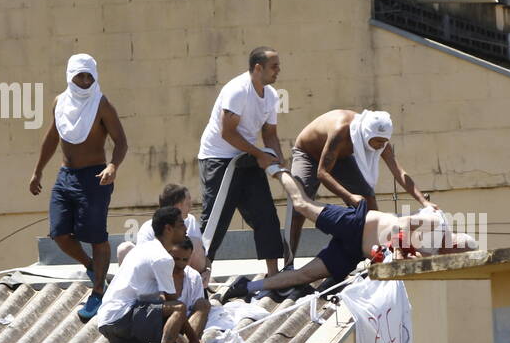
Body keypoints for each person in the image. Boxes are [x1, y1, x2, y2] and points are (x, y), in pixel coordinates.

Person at [221, 168, 477, 302]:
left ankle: (247, 286)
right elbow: (404, 225)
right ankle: (277, 168)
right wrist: (400, 251)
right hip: (357, 224)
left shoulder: (432, 259)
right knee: (302, 205)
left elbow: (402, 263)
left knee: (305, 276)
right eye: (456, 253)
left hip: (353, 251)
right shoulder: (438, 222)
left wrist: (399, 258)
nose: (450, 257)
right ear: (456, 243)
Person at [30, 53, 127, 321]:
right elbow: (52, 137)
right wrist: (37, 171)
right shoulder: (59, 102)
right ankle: (91, 267)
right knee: (59, 233)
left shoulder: (101, 104)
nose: (84, 81)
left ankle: (98, 290)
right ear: (69, 76)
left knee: (96, 236)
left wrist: (113, 167)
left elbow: (121, 141)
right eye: (79, 76)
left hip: (95, 177)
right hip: (66, 176)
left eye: (89, 76)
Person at [287, 108, 432, 264]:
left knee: (368, 197)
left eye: (383, 142)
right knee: (298, 208)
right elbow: (322, 173)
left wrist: (423, 201)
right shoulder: (341, 130)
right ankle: (288, 263)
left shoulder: (381, 141)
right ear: (365, 134)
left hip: (340, 157)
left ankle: (377, 254)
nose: (380, 146)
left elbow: (399, 172)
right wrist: (349, 197)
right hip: (308, 154)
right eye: (377, 141)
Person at [197, 46, 285, 275]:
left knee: (266, 214)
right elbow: (228, 133)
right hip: (218, 158)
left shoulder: (271, 95)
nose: (278, 70)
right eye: (274, 66)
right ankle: (199, 274)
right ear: (258, 68)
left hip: (247, 157)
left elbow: (270, 134)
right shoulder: (237, 90)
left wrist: (279, 160)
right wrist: (260, 155)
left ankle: (274, 276)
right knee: (216, 220)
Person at [90, 206, 196, 343]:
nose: (186, 229)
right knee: (178, 309)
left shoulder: (143, 249)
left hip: (108, 320)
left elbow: (159, 302)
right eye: (181, 224)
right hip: (123, 316)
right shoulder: (162, 258)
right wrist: (194, 340)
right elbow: (174, 304)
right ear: (168, 229)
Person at [117, 183, 207, 276]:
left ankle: (192, 283)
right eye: (188, 202)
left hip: (186, 274)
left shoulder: (190, 220)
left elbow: (202, 253)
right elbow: (144, 258)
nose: (191, 205)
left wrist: (207, 270)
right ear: (178, 206)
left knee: (194, 243)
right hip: (156, 272)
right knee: (124, 248)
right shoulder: (148, 227)